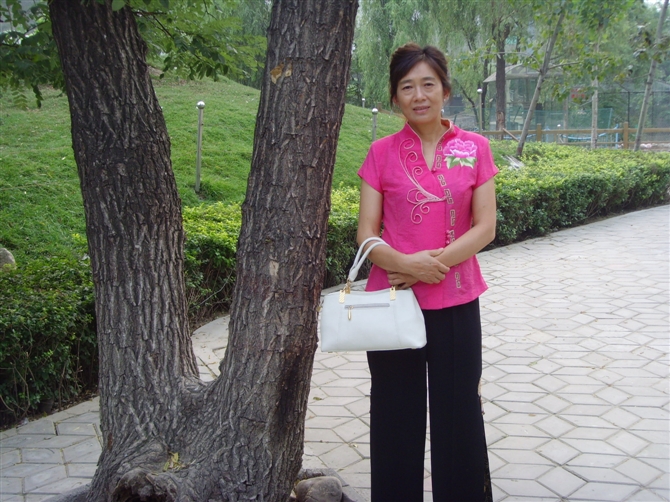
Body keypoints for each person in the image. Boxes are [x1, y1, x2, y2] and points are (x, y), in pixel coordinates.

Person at [356, 43, 497, 502]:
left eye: (428, 84)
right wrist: (404, 265)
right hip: (392, 304)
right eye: (407, 87)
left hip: (457, 299)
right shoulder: (380, 153)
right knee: (395, 416)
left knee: (460, 413)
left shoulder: (473, 148)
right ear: (395, 96)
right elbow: (366, 233)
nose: (419, 95)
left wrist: (429, 267)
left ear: (445, 90)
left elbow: (486, 227)